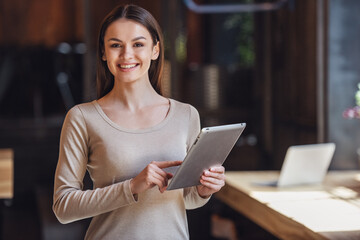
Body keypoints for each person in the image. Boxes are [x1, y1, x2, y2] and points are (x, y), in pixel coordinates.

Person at [52, 4, 225, 240]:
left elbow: (186, 199)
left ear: (155, 50)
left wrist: (204, 191)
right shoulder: (82, 118)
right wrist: (131, 187)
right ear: (103, 52)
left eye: (138, 44)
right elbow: (63, 207)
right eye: (115, 45)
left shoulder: (186, 115)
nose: (126, 55)